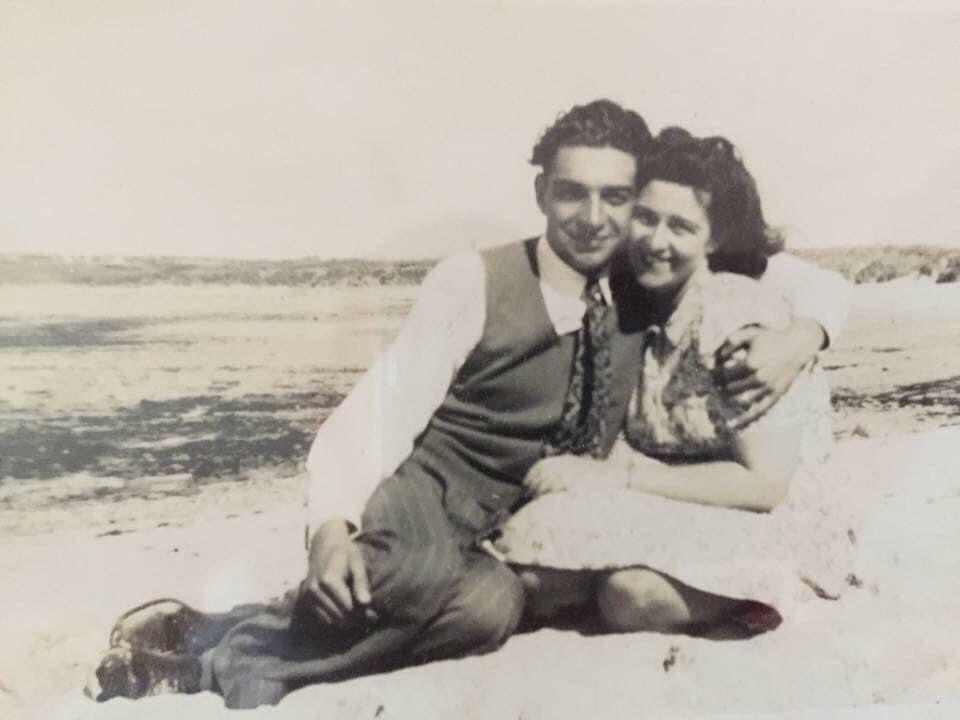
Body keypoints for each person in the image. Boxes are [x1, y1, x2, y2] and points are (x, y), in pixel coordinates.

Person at [91, 102, 849, 708]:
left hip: (506, 522)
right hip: (430, 492)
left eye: (616, 198)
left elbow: (796, 277)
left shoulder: (641, 277)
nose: (596, 217)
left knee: (489, 612)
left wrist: (804, 333)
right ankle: (210, 657)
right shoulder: (474, 281)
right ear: (541, 193)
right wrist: (329, 526)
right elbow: (375, 413)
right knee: (410, 575)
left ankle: (219, 635)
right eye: (572, 192)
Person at [497, 127, 853, 635]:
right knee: (535, 576)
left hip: (771, 519)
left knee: (632, 597)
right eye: (645, 218)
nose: (655, 242)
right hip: (680, 500)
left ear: (714, 238)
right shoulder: (638, 300)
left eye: (681, 227)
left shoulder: (734, 315)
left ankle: (762, 597)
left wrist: (616, 477)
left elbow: (765, 486)